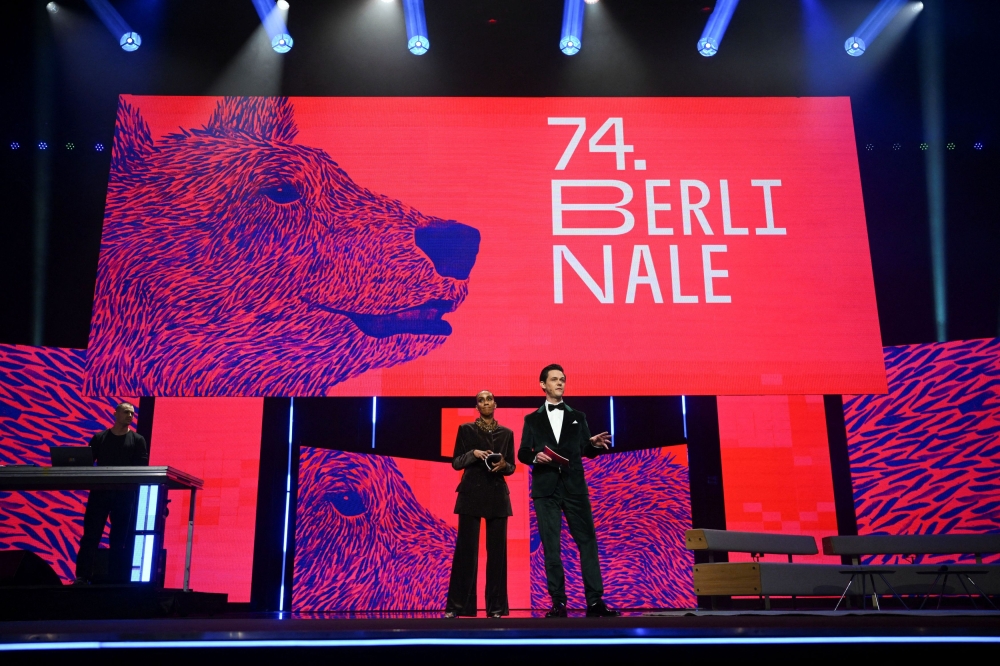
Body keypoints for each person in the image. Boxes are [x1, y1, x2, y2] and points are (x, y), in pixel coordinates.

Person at [517, 364, 620, 618]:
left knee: (587, 542)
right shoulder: (531, 419)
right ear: (543, 385)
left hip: (574, 487)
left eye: (562, 380)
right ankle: (558, 603)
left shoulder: (579, 416)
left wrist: (593, 444)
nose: (560, 383)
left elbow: (587, 450)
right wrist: (535, 456)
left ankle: (595, 602)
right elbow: (522, 453)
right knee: (551, 546)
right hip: (546, 490)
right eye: (554, 380)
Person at [444, 390, 516, 618]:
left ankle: (495, 609)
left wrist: (504, 465)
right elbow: (456, 463)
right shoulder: (466, 430)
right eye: (481, 400)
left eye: (489, 399)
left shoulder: (507, 433)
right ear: (477, 406)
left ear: (496, 403)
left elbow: (512, 467)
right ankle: (458, 607)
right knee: (466, 553)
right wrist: (473, 453)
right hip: (471, 494)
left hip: (496, 496)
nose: (485, 403)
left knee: (497, 555)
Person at [74, 401, 149, 584]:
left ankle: (117, 578)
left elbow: (142, 468)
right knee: (91, 535)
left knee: (119, 539)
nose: (129, 416)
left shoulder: (138, 440)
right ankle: (83, 576)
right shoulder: (99, 438)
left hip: (124, 495)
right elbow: (86, 463)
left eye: (132, 413)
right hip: (100, 493)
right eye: (126, 412)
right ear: (115, 414)